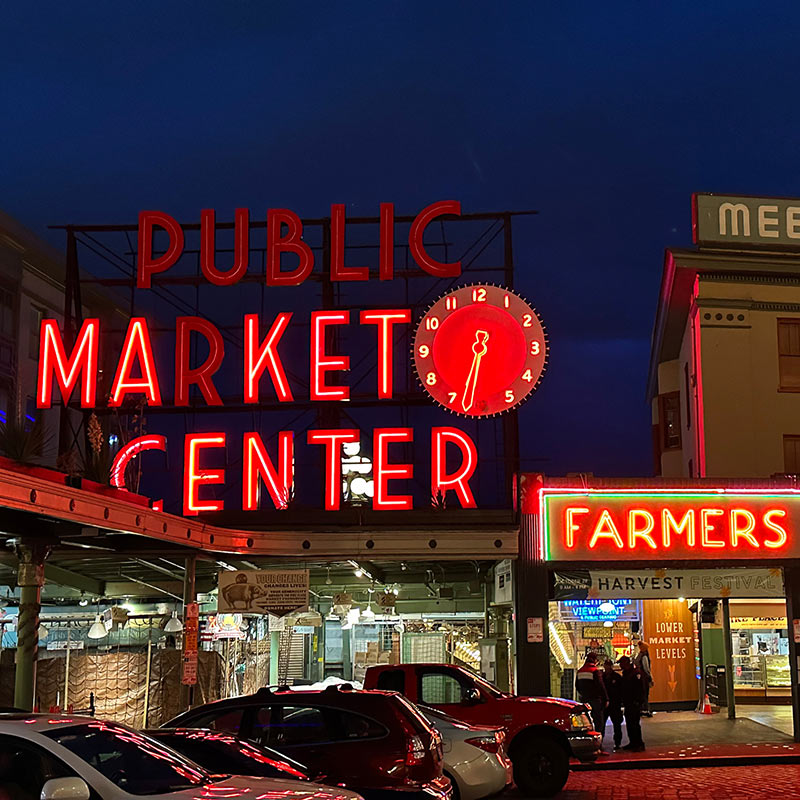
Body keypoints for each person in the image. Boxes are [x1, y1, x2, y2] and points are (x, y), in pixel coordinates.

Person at [575, 652, 607, 735]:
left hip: (584, 699)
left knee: (586, 721)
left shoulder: (580, 671)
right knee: (598, 721)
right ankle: (598, 739)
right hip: (595, 699)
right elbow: (601, 686)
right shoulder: (594, 671)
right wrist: (606, 698)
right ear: (595, 660)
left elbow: (577, 686)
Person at [618, 655, 646, 751]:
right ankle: (633, 742)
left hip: (634, 702)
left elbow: (640, 688)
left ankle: (638, 743)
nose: (620, 665)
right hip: (628, 702)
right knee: (630, 723)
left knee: (634, 723)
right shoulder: (627, 674)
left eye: (621, 663)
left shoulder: (635, 674)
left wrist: (639, 701)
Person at [602, 659, 624, 750]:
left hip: (614, 704)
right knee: (602, 724)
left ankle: (617, 742)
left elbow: (621, 690)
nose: (607, 667)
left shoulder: (615, 677)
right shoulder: (602, 677)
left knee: (616, 724)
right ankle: (601, 742)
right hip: (606, 704)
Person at [634, 640, 654, 716]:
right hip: (644, 677)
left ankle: (642, 709)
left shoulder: (639, 655)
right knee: (645, 693)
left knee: (642, 693)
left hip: (640, 677)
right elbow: (646, 668)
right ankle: (646, 709)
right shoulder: (644, 656)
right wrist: (650, 677)